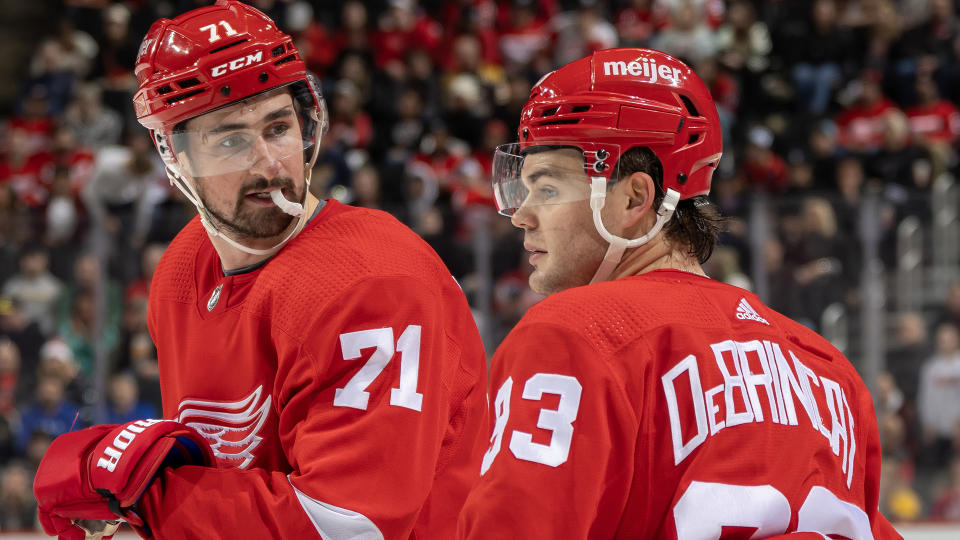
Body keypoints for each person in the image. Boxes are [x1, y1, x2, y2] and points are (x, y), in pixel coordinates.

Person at [33, 1, 488, 539]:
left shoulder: (373, 281)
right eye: (230, 140)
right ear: (175, 158)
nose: (268, 163)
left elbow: (350, 525)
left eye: (277, 127)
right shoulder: (182, 269)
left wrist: (149, 500)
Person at [457, 48, 900, 539]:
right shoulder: (830, 371)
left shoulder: (573, 333)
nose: (522, 215)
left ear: (633, 199)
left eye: (547, 189)